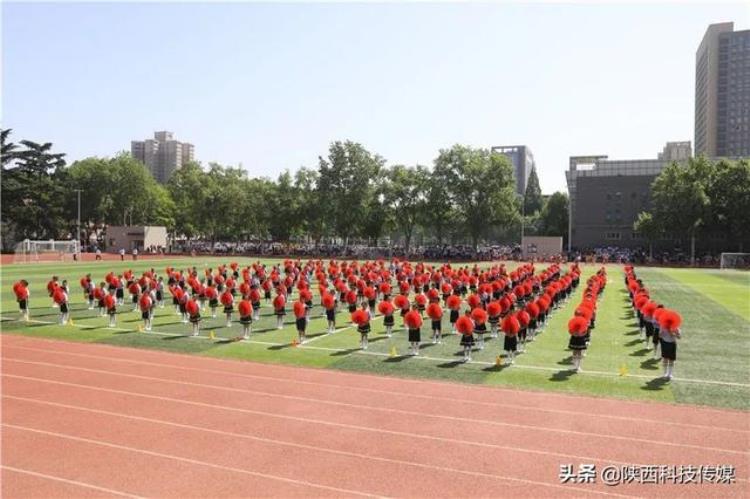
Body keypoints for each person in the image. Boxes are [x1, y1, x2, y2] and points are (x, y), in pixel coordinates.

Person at [658, 309, 682, 380]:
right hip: (665, 343)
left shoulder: (676, 328)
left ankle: (670, 374)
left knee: (671, 359)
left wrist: (674, 333)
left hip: (672, 344)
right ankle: (665, 373)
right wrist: (661, 333)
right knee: (665, 359)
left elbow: (679, 337)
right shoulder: (662, 326)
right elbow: (659, 336)